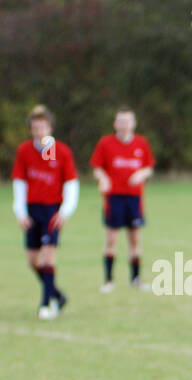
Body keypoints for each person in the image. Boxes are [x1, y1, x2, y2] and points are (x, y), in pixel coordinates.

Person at [11, 105, 78, 320]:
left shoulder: (61, 151)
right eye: (35, 127)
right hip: (33, 209)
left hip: (52, 210)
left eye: (43, 127)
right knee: (33, 261)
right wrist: (20, 212)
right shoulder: (24, 151)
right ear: (31, 129)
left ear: (50, 128)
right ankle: (57, 295)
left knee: (48, 258)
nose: (40, 131)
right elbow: (20, 182)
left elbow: (71, 183)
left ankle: (46, 304)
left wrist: (65, 211)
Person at [90, 107, 155, 292]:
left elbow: (149, 167)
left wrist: (141, 174)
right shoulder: (105, 143)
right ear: (115, 123)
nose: (124, 125)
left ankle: (136, 279)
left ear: (133, 123)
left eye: (128, 121)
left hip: (134, 198)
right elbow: (97, 167)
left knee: (135, 240)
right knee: (111, 240)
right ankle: (108, 280)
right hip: (114, 197)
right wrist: (103, 178)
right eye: (121, 121)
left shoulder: (141, 144)